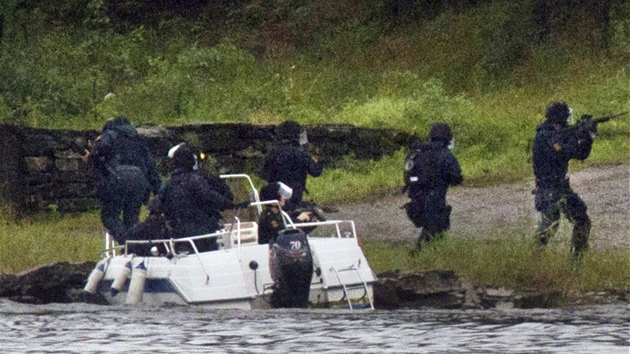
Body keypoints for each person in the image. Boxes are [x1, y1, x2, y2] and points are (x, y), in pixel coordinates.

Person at [532, 101, 596, 258]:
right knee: (549, 225)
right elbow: (562, 152)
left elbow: (580, 154)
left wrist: (588, 137)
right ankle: (531, 258)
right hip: (548, 188)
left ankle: (577, 262)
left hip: (561, 187)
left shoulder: (559, 134)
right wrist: (578, 135)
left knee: (582, 220)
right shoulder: (544, 136)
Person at [85, 116, 161, 244]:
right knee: (132, 219)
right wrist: (158, 192)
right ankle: (136, 247)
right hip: (140, 180)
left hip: (118, 177)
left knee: (110, 216)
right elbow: (151, 168)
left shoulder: (110, 134)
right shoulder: (138, 140)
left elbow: (100, 149)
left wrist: (91, 156)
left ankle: (127, 242)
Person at [158, 143, 234, 252]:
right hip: (202, 233)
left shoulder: (169, 184)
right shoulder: (197, 180)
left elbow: (159, 205)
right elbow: (211, 197)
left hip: (178, 234)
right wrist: (225, 204)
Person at [404, 123, 463, 251]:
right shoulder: (445, 154)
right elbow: (457, 178)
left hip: (416, 199)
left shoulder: (419, 152)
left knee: (429, 229)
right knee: (436, 232)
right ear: (447, 137)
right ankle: (423, 256)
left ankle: (421, 252)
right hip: (435, 200)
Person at [260, 120, 323, 213]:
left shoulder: (274, 152)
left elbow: (264, 174)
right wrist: (319, 162)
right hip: (295, 196)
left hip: (275, 195)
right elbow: (316, 172)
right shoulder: (300, 153)